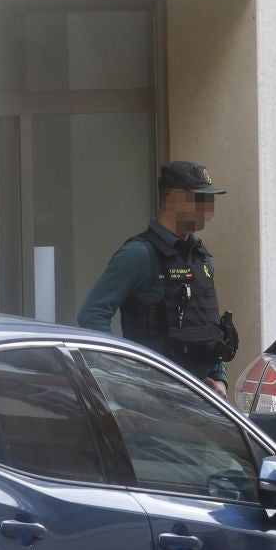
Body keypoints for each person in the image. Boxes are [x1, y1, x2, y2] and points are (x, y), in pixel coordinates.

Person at [78, 161, 237, 396]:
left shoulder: (201, 257)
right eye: (199, 199)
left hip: (201, 396)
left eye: (210, 201)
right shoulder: (139, 254)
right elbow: (92, 316)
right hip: (154, 399)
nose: (207, 208)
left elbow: (208, 325)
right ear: (172, 199)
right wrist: (126, 374)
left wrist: (219, 378)